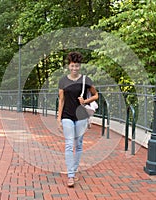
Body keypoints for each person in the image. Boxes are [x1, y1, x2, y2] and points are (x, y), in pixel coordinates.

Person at [57, 51, 99, 187]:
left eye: (77, 66)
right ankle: (70, 175)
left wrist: (85, 100)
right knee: (69, 144)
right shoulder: (63, 81)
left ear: (80, 66)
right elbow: (61, 101)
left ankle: (74, 170)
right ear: (69, 66)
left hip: (81, 116)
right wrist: (58, 118)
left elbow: (96, 95)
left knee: (78, 144)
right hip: (67, 116)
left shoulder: (86, 80)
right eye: (72, 66)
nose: (74, 68)